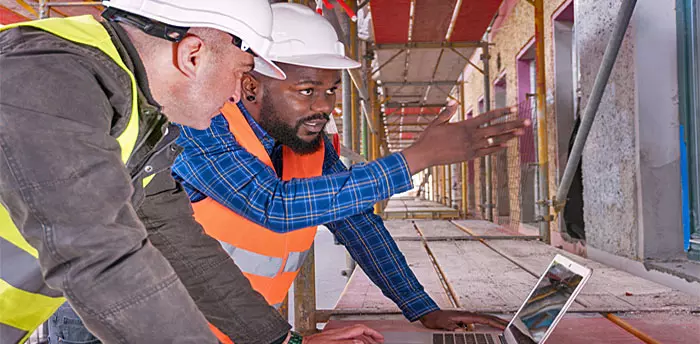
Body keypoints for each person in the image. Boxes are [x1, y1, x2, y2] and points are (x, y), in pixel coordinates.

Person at [0, 1, 381, 343]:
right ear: (193, 55)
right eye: (240, 72)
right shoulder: (48, 76)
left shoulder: (137, 113)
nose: (237, 95)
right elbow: (99, 254)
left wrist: (280, 341)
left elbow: (176, 238)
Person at [172, 4, 529, 343]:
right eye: (307, 91)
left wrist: (421, 307)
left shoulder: (312, 146)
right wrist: (418, 157)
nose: (324, 106)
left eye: (330, 91)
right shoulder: (198, 129)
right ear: (251, 86)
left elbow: (358, 225)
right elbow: (273, 205)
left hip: (258, 331)